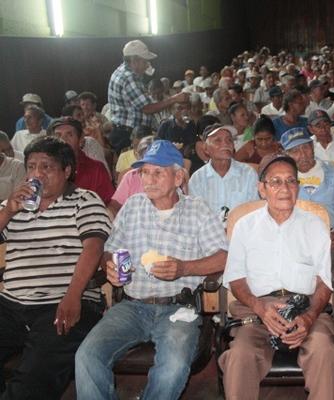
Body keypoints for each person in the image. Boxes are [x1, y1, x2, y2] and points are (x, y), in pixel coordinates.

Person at [75, 140, 228, 400]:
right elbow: (110, 250)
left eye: (158, 172)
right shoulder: (132, 206)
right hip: (131, 306)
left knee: (173, 367)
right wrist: (109, 265)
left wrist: (183, 268)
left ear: (178, 176)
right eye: (144, 172)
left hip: (178, 309)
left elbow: (224, 257)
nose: (149, 179)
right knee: (87, 356)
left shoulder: (198, 209)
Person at [218, 153, 334, 400]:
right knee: (239, 356)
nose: (284, 188)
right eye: (275, 182)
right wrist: (260, 308)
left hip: (306, 308)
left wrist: (309, 318)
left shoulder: (315, 225)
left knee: (325, 352)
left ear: (298, 187)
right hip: (257, 311)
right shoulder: (245, 226)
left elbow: (324, 281)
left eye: (290, 181)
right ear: (262, 189)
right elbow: (235, 279)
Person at [0, 136, 111, 398]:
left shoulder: (85, 200)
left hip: (65, 302)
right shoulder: (14, 204)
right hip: (11, 304)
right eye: (31, 166)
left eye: (46, 167)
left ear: (67, 171)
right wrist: (8, 211)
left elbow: (94, 248)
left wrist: (73, 297)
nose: (36, 173)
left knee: (35, 376)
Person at [107, 40, 188, 153]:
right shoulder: (129, 78)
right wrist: (174, 99)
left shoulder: (121, 72)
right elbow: (147, 108)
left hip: (127, 132)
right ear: (134, 60)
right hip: (128, 135)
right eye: (145, 61)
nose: (147, 66)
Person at [188, 123, 259, 224]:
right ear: (205, 148)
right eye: (218, 140)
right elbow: (196, 216)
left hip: (241, 234)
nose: (226, 144)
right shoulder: (197, 179)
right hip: (209, 236)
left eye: (229, 140)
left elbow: (254, 211)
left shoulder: (248, 174)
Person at [282, 127, 334, 230]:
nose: (303, 155)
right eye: (295, 151)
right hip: (294, 234)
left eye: (306, 148)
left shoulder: (332, 172)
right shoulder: (281, 178)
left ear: (312, 147)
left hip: (329, 231)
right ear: (286, 155)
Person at [50, 118, 115, 205]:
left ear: (81, 140)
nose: (62, 140)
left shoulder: (96, 169)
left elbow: (109, 204)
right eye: (57, 135)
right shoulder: (42, 169)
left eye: (69, 135)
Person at [0, 131, 26, 201]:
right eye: (3, 151)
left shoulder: (18, 166)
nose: (9, 153)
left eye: (9, 148)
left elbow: (18, 199)